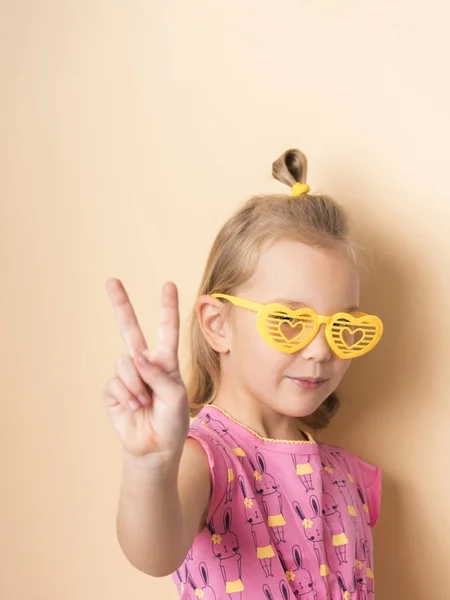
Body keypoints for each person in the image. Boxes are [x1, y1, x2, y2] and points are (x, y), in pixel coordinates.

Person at [104, 148, 383, 600]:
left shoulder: (348, 477)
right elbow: (153, 552)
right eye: (289, 321)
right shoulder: (207, 460)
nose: (320, 350)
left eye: (344, 327)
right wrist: (149, 466)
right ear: (218, 324)